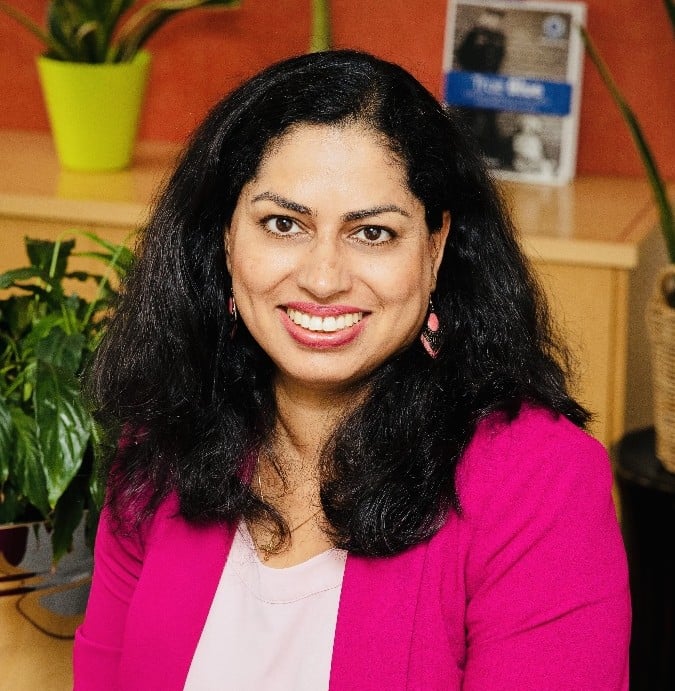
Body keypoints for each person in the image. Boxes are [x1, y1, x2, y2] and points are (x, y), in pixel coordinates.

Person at [73, 50, 630, 690]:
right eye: (283, 224)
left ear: (436, 246)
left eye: (372, 233)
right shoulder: (163, 443)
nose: (323, 278)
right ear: (226, 237)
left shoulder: (541, 484)